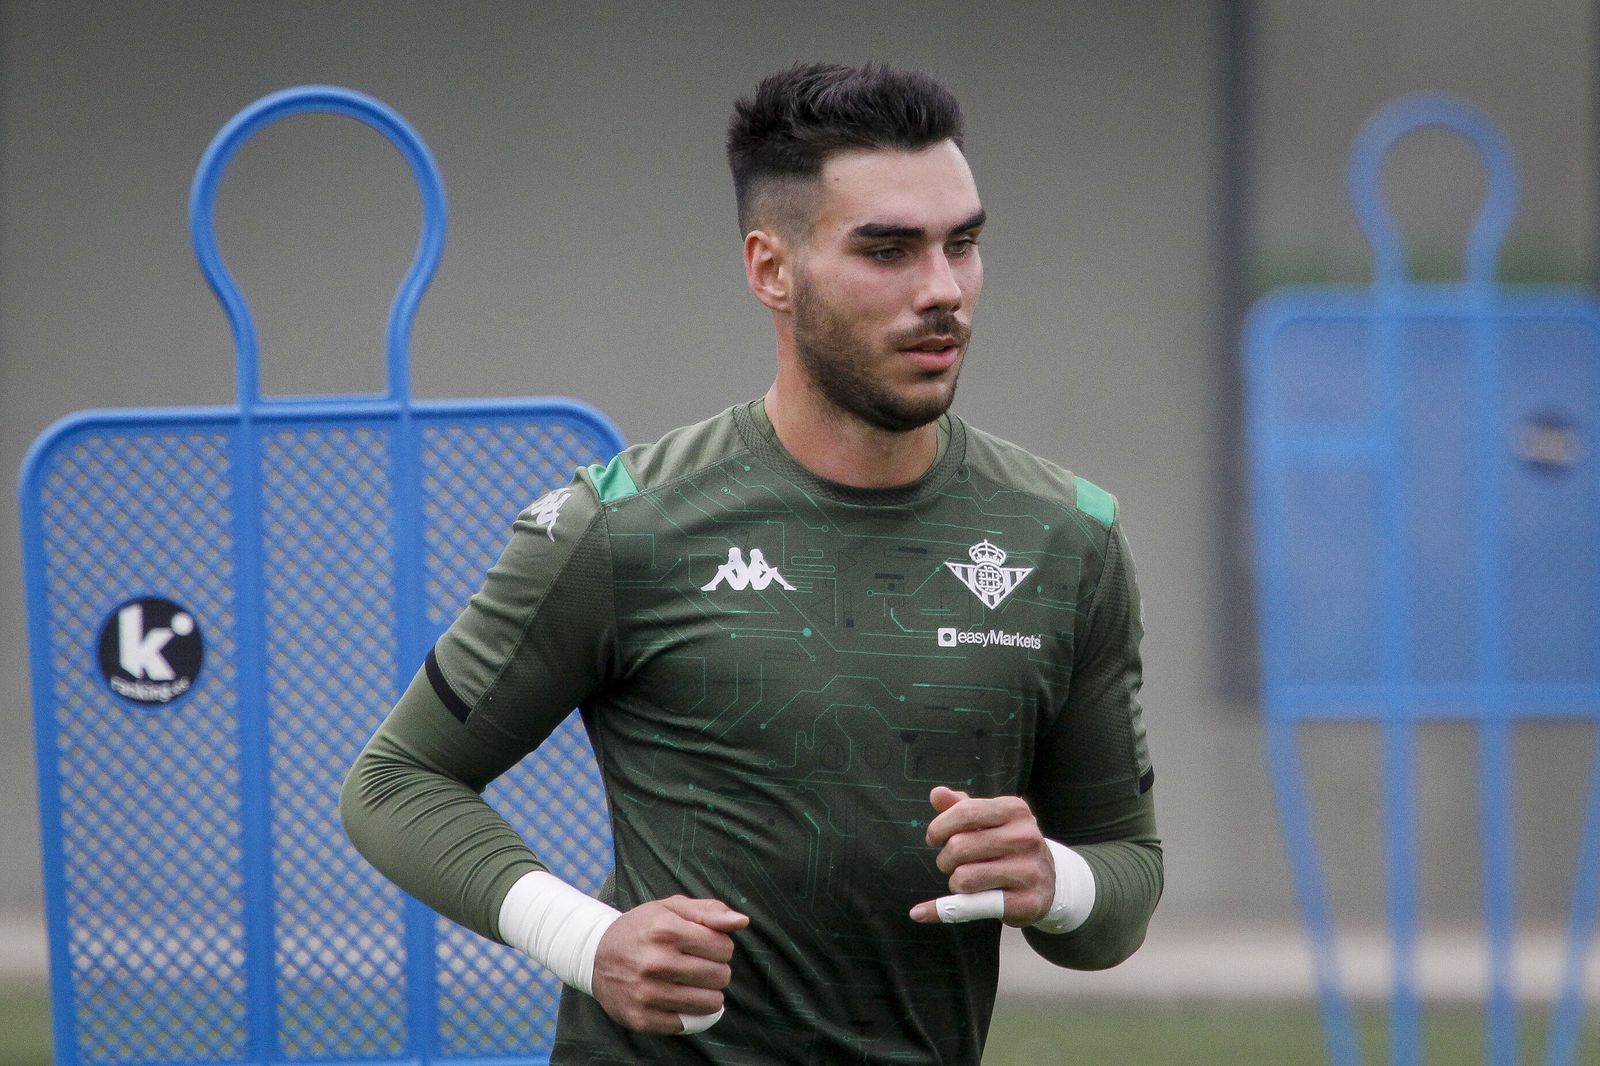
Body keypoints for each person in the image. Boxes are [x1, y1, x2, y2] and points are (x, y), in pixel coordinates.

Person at [342, 61, 1161, 1065]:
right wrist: (588, 939)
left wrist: (1055, 878)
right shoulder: (619, 528)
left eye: (963, 244)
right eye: (888, 251)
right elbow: (395, 781)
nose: (942, 290)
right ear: (772, 269)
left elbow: (1123, 888)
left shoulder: (1066, 537)